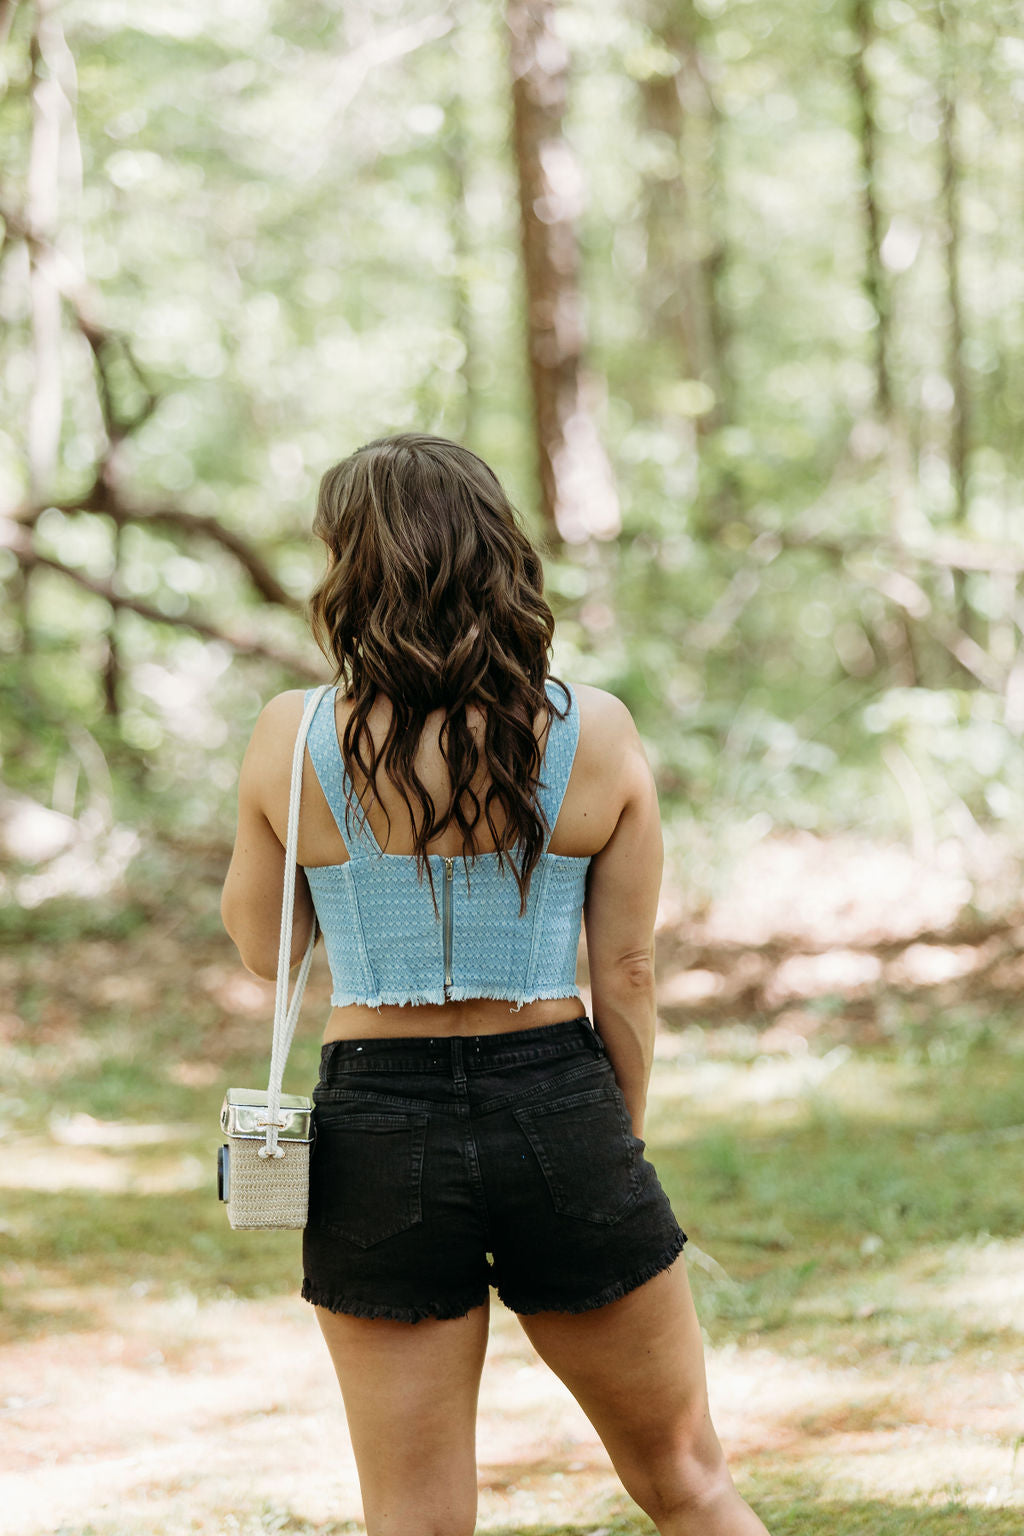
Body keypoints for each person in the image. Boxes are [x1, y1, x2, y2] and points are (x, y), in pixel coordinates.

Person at [221, 433, 770, 1536]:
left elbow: (266, 953)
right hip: (560, 1107)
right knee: (688, 1479)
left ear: (350, 571)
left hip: (375, 1125)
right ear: (497, 556)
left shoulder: (292, 736)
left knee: (413, 1518)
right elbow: (625, 973)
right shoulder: (594, 731)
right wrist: (611, 1136)